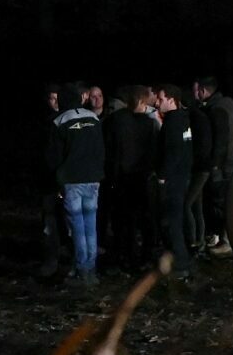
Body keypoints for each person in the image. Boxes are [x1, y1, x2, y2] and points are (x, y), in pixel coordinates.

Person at [51, 83, 107, 284]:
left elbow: (55, 156)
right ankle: (90, 267)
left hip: (72, 180)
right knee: (90, 223)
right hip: (93, 179)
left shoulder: (60, 121)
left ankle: (82, 268)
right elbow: (101, 149)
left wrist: (57, 180)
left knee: (77, 225)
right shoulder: (93, 118)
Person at [105, 85, 155, 270]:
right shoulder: (148, 123)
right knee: (143, 218)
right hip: (140, 178)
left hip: (121, 178)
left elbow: (110, 151)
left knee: (122, 220)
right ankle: (144, 256)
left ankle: (123, 255)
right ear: (141, 101)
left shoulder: (116, 120)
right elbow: (152, 152)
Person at [195, 78, 233, 252]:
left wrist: (215, 164)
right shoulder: (224, 104)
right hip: (230, 159)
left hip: (223, 162)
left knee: (221, 200)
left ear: (203, 90)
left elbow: (221, 139)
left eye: (196, 90)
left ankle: (227, 241)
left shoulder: (217, 109)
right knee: (224, 199)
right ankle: (221, 237)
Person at [156, 83, 197, 274]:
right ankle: (182, 257)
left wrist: (163, 176)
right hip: (182, 177)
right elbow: (185, 149)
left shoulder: (172, 123)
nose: (158, 102)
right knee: (177, 220)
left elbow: (172, 153)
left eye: (161, 99)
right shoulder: (183, 120)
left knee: (172, 222)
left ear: (171, 100)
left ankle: (180, 263)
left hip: (173, 180)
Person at [37, 85, 71, 281]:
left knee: (69, 221)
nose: (55, 102)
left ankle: (69, 257)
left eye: (57, 98)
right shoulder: (45, 123)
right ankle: (51, 260)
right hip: (49, 182)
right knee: (50, 224)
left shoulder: (67, 122)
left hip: (67, 181)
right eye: (51, 98)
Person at [184, 84, 218, 256]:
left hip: (199, 168)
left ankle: (193, 242)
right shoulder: (201, 116)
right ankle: (200, 240)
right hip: (203, 167)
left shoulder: (193, 119)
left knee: (187, 205)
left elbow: (197, 145)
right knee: (196, 205)